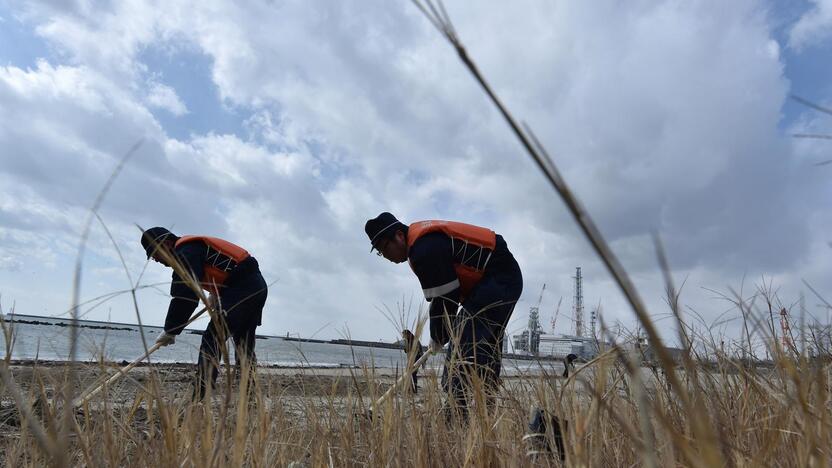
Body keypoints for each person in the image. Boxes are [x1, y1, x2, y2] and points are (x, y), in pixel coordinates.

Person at [365, 213, 523, 418]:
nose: (385, 256)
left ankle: (457, 412)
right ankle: (485, 412)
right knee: (483, 346)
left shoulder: (423, 250)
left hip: (499, 278)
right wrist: (440, 335)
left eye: (384, 248)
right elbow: (445, 297)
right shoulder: (422, 244)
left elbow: (445, 298)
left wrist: (438, 336)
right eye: (379, 252)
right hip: (500, 280)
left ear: (399, 236)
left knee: (464, 340)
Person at [141, 227, 268, 400]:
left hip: (243, 288)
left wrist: (171, 329)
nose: (155, 259)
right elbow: (227, 267)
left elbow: (185, 294)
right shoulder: (192, 249)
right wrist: (216, 293)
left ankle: (200, 398)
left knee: (213, 338)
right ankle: (250, 398)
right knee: (243, 344)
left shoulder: (185, 251)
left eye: (155, 253)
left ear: (166, 243)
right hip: (256, 287)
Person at [402, 329, 424, 394]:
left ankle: (414, 389)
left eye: (404, 335)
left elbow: (416, 351)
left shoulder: (413, 340)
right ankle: (410, 388)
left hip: (416, 359)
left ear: (407, 334)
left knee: (413, 374)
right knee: (410, 373)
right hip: (413, 359)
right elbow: (406, 350)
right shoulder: (409, 340)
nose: (403, 337)